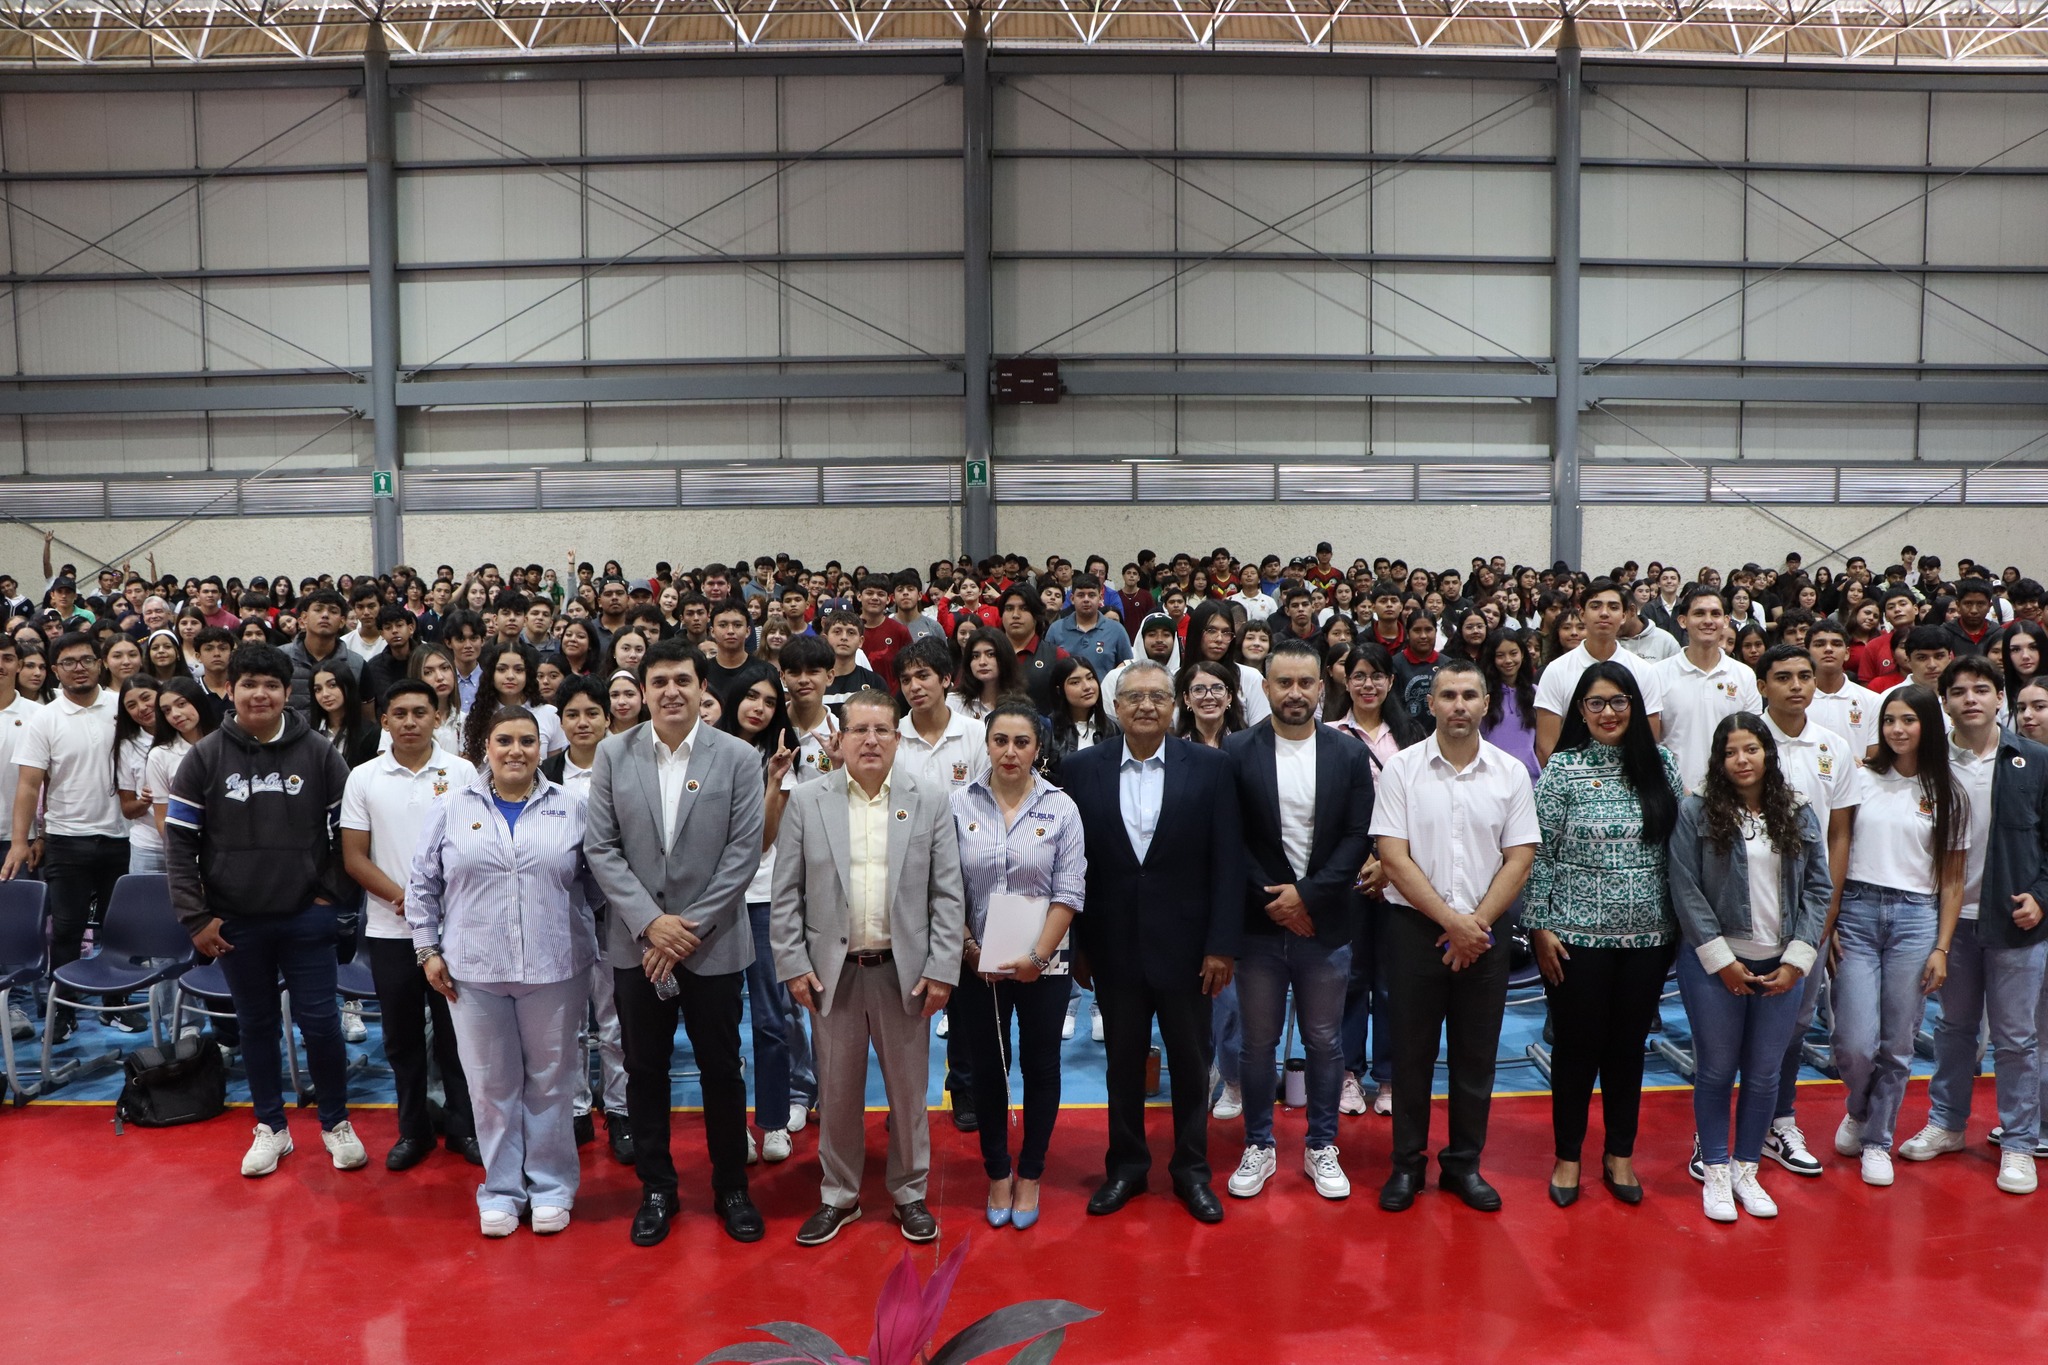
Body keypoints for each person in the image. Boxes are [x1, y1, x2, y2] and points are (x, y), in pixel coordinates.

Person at [584, 639, 767, 1247]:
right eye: (658, 681)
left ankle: (731, 1187)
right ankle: (657, 1189)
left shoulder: (738, 757)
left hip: (713, 945)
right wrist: (650, 923)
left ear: (702, 687)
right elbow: (601, 848)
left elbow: (743, 854)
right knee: (644, 1069)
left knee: (722, 1069)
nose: (671, 691)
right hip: (637, 945)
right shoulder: (613, 753)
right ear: (642, 691)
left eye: (682, 680)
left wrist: (683, 930)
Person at [770, 687, 965, 1247]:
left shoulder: (929, 799)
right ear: (842, 738)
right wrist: (793, 964)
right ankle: (839, 1195)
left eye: (882, 730)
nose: (871, 740)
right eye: (860, 730)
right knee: (835, 1092)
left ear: (898, 739)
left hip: (904, 971)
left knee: (908, 1092)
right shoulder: (809, 800)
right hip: (832, 972)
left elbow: (947, 893)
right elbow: (786, 894)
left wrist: (942, 968)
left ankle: (910, 1192)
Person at [164, 643, 365, 1178]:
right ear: (230, 689)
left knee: (321, 1026)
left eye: (271, 685)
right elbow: (179, 845)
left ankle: (336, 1122)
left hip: (306, 919)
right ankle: (271, 1127)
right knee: (256, 1026)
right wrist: (196, 918)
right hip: (235, 923)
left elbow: (348, 835)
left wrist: (329, 900)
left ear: (286, 693)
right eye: (249, 683)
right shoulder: (204, 756)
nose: (260, 694)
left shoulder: (320, 753)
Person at [1060, 661, 1243, 1225]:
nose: (1146, 706)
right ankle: (1126, 1168)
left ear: (1175, 705)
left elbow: (1228, 862)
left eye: (1158, 697)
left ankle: (1191, 1171)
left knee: (1191, 1063)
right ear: (1115, 707)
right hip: (1113, 946)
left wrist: (1221, 944)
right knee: (1121, 1064)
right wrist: (1078, 945)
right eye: (1134, 697)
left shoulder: (1212, 767)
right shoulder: (1080, 769)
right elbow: (1073, 866)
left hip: (1190, 950)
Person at [407, 705, 597, 1237]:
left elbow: (598, 886)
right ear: (485, 748)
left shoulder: (573, 808)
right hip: (474, 971)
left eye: (527, 741)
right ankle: (502, 1190)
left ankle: (552, 1188)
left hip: (556, 968)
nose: (516, 751)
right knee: (491, 1087)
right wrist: (427, 949)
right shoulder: (449, 808)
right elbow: (422, 885)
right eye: (505, 740)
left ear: (542, 749)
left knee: (552, 1084)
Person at [1372, 659, 1540, 1213]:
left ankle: (1464, 1164)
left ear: (1486, 703)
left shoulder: (1510, 772)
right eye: (1448, 695)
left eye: (1470, 695)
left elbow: (1520, 858)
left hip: (1485, 931)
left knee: (1476, 1056)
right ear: (1431, 704)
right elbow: (1392, 856)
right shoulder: (1402, 769)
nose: (1459, 705)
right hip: (1415, 930)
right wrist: (1452, 922)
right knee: (1411, 1056)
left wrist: (1474, 926)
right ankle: (1406, 1165)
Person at [1523, 662, 1684, 1206]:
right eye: (1596, 703)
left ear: (1634, 706)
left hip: (1649, 938)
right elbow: (1539, 853)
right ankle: (1567, 1156)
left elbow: (1679, 849)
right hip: (1574, 939)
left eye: (1618, 701)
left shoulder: (1662, 765)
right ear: (1581, 711)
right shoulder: (1563, 768)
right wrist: (1539, 926)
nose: (1608, 712)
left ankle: (1620, 1154)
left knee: (1627, 1049)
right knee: (1576, 1048)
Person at [1221, 640, 1376, 1202]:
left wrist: (1305, 898)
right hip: (1259, 924)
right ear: (1265, 688)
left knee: (1324, 1041)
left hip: (1325, 924)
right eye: (1283, 683)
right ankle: (1259, 1144)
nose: (1294, 693)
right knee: (1257, 1043)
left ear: (1320, 688)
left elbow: (1357, 837)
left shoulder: (1348, 753)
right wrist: (1278, 903)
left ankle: (1321, 1145)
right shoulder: (1236, 750)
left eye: (1305, 683)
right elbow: (1231, 837)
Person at [1670, 714, 1831, 1222]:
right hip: (1715, 965)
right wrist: (1722, 961)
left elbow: (1819, 889)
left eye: (1751, 749)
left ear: (1768, 753)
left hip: (1781, 964)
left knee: (1763, 1075)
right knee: (1716, 1071)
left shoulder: (1797, 810)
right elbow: (1684, 888)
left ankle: (1746, 1169)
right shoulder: (1696, 809)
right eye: (1730, 752)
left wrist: (1798, 959)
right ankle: (1716, 1171)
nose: (1742, 760)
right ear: (1718, 760)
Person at [1896, 657, 2048, 1194]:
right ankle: (1947, 1123)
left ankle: (2020, 1142)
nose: (1970, 699)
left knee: (2015, 1038)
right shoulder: (1928, 763)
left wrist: (2042, 898)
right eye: (1958, 691)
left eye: (1981, 689)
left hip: (2015, 924)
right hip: (1948, 923)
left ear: (2000, 698)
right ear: (1945, 702)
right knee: (1954, 1029)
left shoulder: (2036, 760)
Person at [948, 700, 1089, 1229]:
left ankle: (1031, 1172)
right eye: (1000, 741)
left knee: (1041, 1065)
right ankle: (997, 1172)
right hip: (975, 962)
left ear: (1038, 748)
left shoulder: (1062, 808)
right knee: (988, 1068)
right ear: (986, 745)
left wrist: (1037, 957)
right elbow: (945, 886)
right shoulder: (957, 804)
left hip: (1043, 964)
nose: (1010, 752)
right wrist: (969, 948)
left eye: (1021, 742)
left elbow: (1069, 891)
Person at [339, 679, 481, 1171]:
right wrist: (408, 900)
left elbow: (476, 845)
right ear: (385, 721)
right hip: (390, 930)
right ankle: (413, 1131)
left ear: (437, 718)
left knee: (458, 1038)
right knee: (402, 1041)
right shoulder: (364, 777)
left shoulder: (462, 772)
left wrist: (432, 905)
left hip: (455, 930)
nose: (410, 722)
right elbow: (354, 857)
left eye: (420, 712)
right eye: (399, 713)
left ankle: (465, 1128)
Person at [1829, 685, 1967, 1188]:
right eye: (1889, 720)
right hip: (1858, 912)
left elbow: (1952, 880)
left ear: (1928, 725)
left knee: (1898, 1042)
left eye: (1908, 719)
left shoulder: (1948, 792)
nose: (1897, 729)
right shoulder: (1861, 778)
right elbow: (1836, 846)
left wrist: (1942, 946)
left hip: (1916, 918)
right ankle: (1858, 1106)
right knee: (1853, 1043)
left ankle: (1877, 1139)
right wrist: (1831, 917)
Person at [3, 633, 125, 1039]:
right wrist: (20, 841)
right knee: (68, 931)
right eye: (69, 662)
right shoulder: (44, 718)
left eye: (86, 659)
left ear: (99, 664)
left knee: (118, 929)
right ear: (55, 671)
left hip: (122, 835)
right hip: (66, 838)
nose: (79, 668)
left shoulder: (121, 707)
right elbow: (28, 785)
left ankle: (115, 1006)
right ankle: (65, 1012)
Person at [540, 674, 631, 1163]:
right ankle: (575, 1108)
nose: (582, 723)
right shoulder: (544, 772)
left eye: (592, 713)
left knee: (615, 1019)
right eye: (572, 714)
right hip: (562, 908)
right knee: (569, 1019)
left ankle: (620, 1108)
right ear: (560, 721)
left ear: (607, 717)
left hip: (620, 910)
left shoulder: (629, 766)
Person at [715, 662, 802, 1166]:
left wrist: (774, 780)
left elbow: (765, 840)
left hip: (765, 899)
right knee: (721, 1023)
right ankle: (733, 1126)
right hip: (716, 903)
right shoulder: (706, 752)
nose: (759, 708)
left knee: (772, 1020)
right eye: (752, 696)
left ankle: (772, 1121)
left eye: (770, 702)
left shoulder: (783, 756)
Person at [1534, 579, 1664, 764]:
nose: (1604, 613)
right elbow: (1546, 746)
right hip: (1571, 776)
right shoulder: (1556, 671)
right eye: (1595, 606)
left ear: (1624, 616)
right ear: (1582, 614)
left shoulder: (1644, 671)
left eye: (1613, 607)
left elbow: (1649, 741)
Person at [1655, 585, 1761, 793]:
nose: (1708, 620)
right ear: (1683, 621)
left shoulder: (1744, 675)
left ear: (1726, 621)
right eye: (1699, 613)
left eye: (1715, 614)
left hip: (1731, 794)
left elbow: (1752, 740)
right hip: (1675, 795)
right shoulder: (1658, 674)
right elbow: (1653, 743)